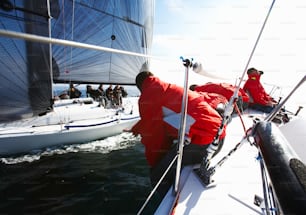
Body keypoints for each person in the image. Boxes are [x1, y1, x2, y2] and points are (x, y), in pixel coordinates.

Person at [128, 71, 226, 197]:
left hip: (206, 146)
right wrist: (137, 128)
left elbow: (154, 139)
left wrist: (156, 163)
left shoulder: (148, 97)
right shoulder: (171, 89)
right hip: (219, 136)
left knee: (157, 175)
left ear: (140, 87)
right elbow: (156, 115)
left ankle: (171, 202)